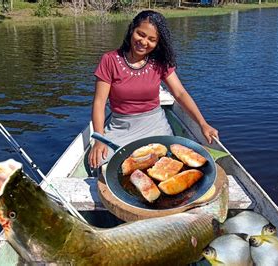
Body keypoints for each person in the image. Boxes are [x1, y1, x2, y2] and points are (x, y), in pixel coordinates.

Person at [88, 10, 219, 169]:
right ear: (132, 30)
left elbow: (180, 93)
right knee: (100, 164)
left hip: (155, 125)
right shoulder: (109, 60)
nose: (143, 42)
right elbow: (99, 103)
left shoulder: (160, 62)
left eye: (152, 39)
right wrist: (99, 139)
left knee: (167, 164)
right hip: (121, 126)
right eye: (140, 34)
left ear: (158, 43)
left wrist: (202, 124)